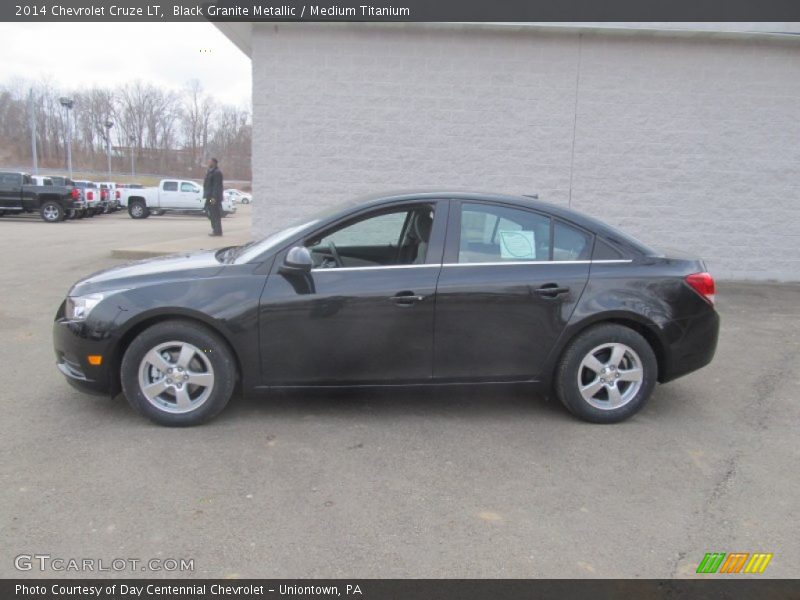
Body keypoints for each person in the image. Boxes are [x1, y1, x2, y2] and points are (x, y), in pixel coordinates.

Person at [203, 157, 224, 236]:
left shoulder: (217, 173)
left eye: (210, 162)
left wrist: (214, 198)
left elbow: (217, 186)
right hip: (209, 196)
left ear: (214, 163)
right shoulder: (210, 172)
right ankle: (215, 229)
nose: (208, 163)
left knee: (215, 213)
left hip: (213, 198)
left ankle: (217, 231)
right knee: (209, 211)